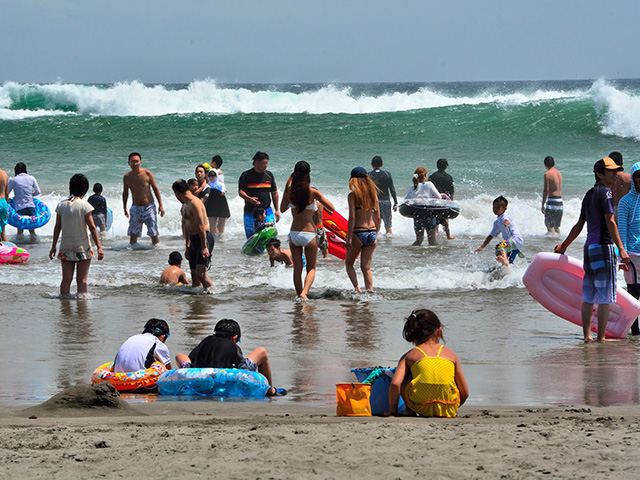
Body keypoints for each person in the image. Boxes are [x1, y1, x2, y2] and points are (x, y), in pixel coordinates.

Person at [555, 157, 629, 342]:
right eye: (611, 171)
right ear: (599, 174)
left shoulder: (589, 194)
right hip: (604, 249)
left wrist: (564, 245)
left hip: (589, 250)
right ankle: (601, 338)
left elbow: (579, 225)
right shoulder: (607, 193)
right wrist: (621, 249)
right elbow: (610, 221)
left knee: (589, 296)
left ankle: (587, 336)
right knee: (605, 296)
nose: (615, 174)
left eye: (616, 171)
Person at [385, 309, 469, 418]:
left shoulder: (410, 355)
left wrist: (393, 411)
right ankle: (447, 407)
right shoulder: (451, 354)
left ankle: (408, 410)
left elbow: (395, 384)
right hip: (448, 407)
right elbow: (465, 393)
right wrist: (453, 407)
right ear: (438, 331)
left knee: (407, 375)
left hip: (419, 406)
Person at [174, 318, 285, 396]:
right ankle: (270, 391)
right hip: (225, 379)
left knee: (180, 355)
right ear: (235, 337)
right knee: (262, 351)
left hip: (199, 379)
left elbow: (192, 358)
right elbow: (239, 365)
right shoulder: (232, 345)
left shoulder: (205, 341)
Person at [280, 161, 335, 299]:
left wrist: (293, 201)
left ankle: (299, 295)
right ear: (308, 174)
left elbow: (282, 209)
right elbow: (332, 208)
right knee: (311, 268)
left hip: (294, 233)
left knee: (297, 268)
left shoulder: (289, 190)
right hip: (309, 233)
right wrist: (318, 202)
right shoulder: (312, 192)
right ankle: (304, 293)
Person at [49, 174, 104, 296]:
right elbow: (92, 227)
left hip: (65, 247)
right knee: (82, 280)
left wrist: (53, 246)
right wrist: (99, 247)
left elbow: (57, 227)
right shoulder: (85, 206)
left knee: (66, 279)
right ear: (84, 190)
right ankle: (82, 308)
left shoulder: (61, 205)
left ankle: (64, 305)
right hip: (82, 248)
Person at [609, 161, 640, 335]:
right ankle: (634, 329)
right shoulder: (625, 202)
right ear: (634, 178)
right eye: (638, 176)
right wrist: (623, 252)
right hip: (633, 254)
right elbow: (622, 229)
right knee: (634, 293)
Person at [172, 179, 214, 291]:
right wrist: (187, 246)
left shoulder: (195, 203)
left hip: (203, 238)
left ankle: (214, 296)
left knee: (201, 274)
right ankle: (198, 303)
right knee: (194, 276)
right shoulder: (186, 205)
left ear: (177, 193)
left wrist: (204, 247)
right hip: (193, 240)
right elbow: (187, 226)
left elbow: (201, 226)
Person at [345, 166, 380, 293]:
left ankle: (357, 289)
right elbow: (378, 217)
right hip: (371, 232)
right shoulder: (373, 196)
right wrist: (376, 232)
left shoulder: (352, 196)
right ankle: (369, 292)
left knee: (349, 264)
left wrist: (348, 238)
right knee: (366, 268)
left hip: (358, 233)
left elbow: (352, 218)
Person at [122, 152, 165, 246]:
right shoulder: (127, 177)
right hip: (135, 207)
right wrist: (124, 207)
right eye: (132, 162)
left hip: (149, 207)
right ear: (129, 163)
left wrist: (160, 205)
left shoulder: (147, 173)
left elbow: (155, 189)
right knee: (133, 234)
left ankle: (156, 251)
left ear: (140, 162)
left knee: (153, 233)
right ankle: (132, 255)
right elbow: (125, 193)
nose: (134, 164)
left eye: (136, 161)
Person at [238, 151, 280, 238]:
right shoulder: (246, 175)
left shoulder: (269, 175)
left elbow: (274, 192)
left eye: (267, 163)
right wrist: (249, 199)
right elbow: (241, 192)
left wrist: (277, 210)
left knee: (272, 236)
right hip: (250, 211)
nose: (266, 165)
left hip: (266, 211)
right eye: (264, 163)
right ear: (256, 162)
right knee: (252, 237)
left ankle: (272, 251)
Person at [474, 196, 524, 266]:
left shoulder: (504, 216)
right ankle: (508, 269)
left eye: (498, 207)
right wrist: (481, 247)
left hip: (515, 239)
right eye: (494, 207)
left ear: (505, 208)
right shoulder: (497, 222)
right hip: (517, 244)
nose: (495, 209)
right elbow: (491, 236)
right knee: (507, 263)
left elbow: (507, 220)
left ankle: (505, 260)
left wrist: (506, 223)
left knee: (499, 246)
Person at [404, 167, 440, 246]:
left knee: (419, 240)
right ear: (425, 176)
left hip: (417, 214)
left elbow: (406, 201)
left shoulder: (413, 188)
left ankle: (412, 255)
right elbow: (439, 197)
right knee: (432, 241)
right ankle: (434, 257)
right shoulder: (429, 184)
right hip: (429, 213)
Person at [8, 162, 41, 239]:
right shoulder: (31, 178)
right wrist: (31, 196)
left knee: (20, 228)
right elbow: (38, 191)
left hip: (19, 206)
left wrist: (9, 201)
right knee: (31, 228)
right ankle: (33, 242)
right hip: (31, 205)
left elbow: (7, 192)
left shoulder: (13, 180)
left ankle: (20, 243)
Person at [368, 156, 398, 235]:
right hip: (386, 202)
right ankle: (389, 243)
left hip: (373, 203)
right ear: (382, 164)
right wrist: (396, 202)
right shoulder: (387, 174)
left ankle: (377, 245)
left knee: (375, 226)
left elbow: (366, 191)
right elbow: (392, 189)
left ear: (372, 164)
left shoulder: (369, 175)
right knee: (388, 227)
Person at [428, 158, 456, 240]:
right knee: (445, 218)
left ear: (437, 166)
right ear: (446, 166)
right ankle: (445, 234)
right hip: (445, 201)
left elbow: (429, 189)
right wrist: (451, 202)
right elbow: (452, 191)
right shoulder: (449, 177)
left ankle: (436, 233)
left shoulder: (432, 176)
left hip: (435, 200)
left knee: (435, 217)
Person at [205, 166, 230, 239]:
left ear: (216, 176)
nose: (211, 177)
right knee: (212, 227)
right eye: (210, 175)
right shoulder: (207, 185)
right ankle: (213, 242)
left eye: (213, 175)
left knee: (221, 228)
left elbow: (223, 190)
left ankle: (221, 242)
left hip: (221, 204)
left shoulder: (220, 184)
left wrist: (223, 192)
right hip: (211, 205)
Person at [541, 156, 563, 235]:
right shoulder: (559, 173)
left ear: (545, 164)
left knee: (549, 226)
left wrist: (543, 204)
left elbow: (546, 190)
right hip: (560, 202)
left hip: (552, 201)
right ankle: (559, 240)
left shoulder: (547, 174)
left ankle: (550, 244)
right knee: (556, 227)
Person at [0, 167, 8, 242]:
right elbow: (6, 193)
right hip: (3, 202)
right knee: (3, 233)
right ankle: (8, 252)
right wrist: (7, 208)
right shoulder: (4, 174)